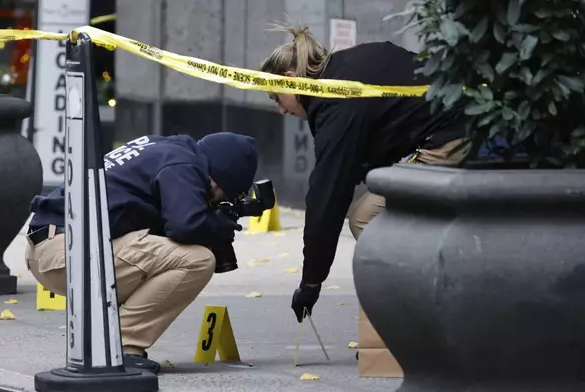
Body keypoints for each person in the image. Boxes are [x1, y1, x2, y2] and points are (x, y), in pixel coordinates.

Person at [259, 23, 470, 322]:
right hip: (456, 124)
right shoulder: (345, 69)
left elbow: (327, 199)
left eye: (276, 98)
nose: (280, 110)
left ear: (291, 81)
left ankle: (419, 316)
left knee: (366, 217)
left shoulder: (335, 104)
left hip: (449, 138)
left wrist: (311, 283)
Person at [24, 132, 258, 373]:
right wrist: (219, 226)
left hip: (50, 246)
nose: (215, 202)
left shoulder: (166, 148)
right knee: (196, 260)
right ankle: (121, 346)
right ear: (219, 180)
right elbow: (185, 226)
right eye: (223, 197)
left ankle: (106, 339)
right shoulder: (184, 166)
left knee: (162, 257)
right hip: (67, 252)